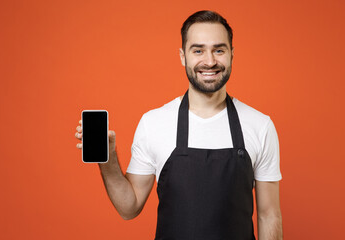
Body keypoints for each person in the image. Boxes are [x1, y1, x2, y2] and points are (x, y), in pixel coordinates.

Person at [75, 10, 283, 240]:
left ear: (232, 55)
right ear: (183, 56)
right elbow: (129, 207)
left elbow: (269, 215)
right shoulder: (153, 123)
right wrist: (108, 158)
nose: (210, 61)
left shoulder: (260, 125)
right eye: (198, 50)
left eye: (219, 50)